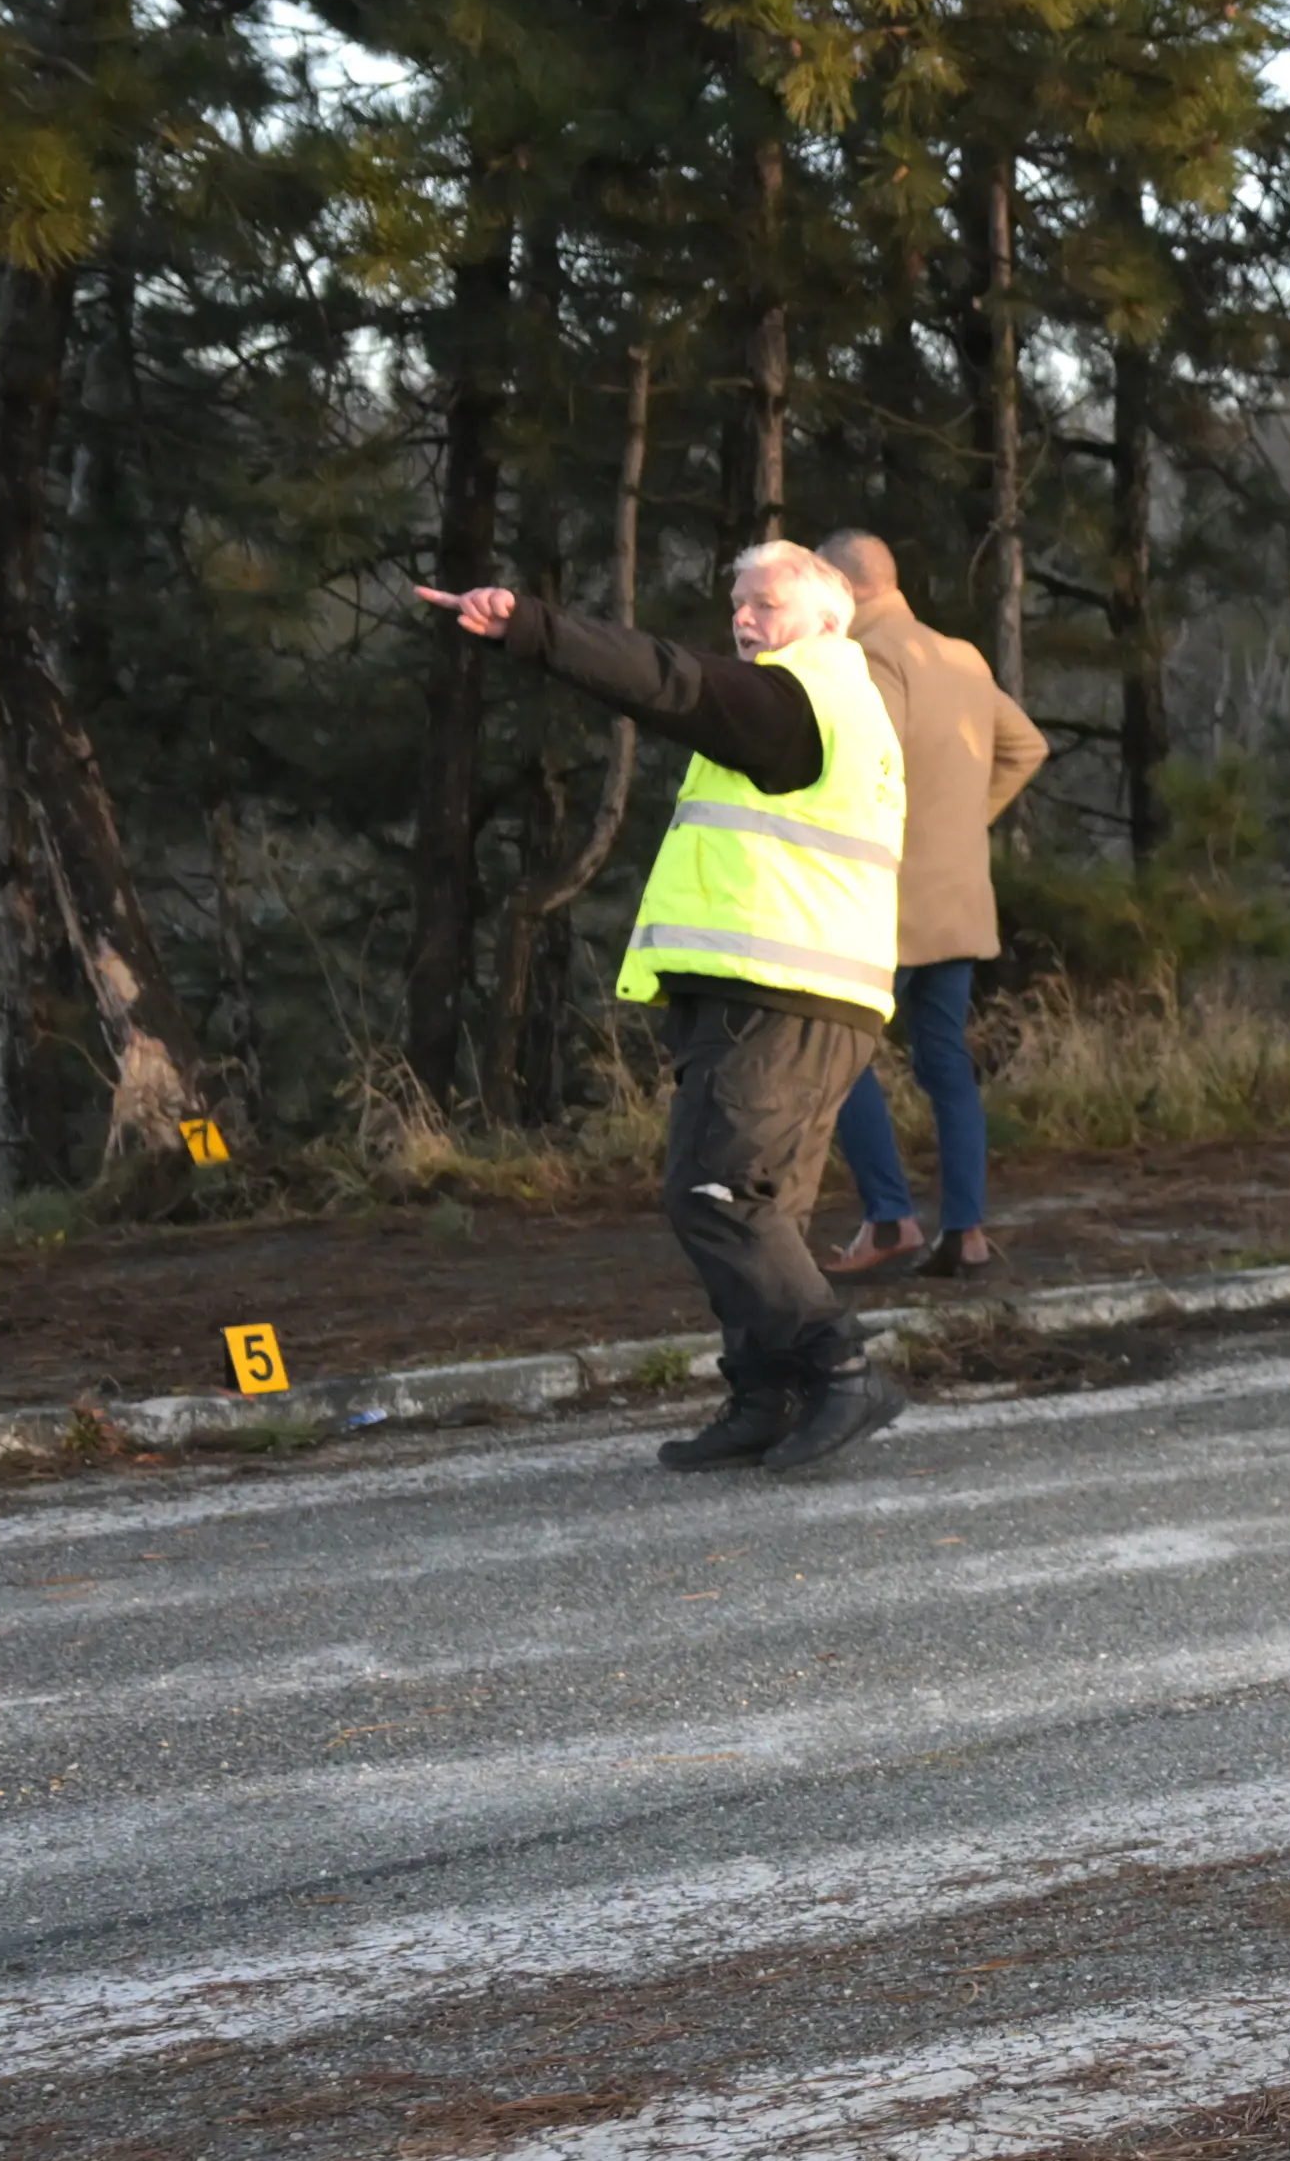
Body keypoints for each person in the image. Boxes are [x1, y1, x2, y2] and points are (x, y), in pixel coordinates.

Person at [415, 543, 914, 1475]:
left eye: (766, 604)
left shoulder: (796, 701)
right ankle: (767, 1398)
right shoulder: (839, 706)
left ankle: (841, 1369)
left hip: (778, 998)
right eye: (738, 603)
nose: (744, 619)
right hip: (803, 997)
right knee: (758, 1207)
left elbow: (664, 680)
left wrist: (532, 626)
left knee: (714, 1196)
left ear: (828, 621)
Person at [810, 528, 1045, 1284]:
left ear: (840, 590)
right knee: (945, 1064)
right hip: (957, 896)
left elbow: (858, 774)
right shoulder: (962, 655)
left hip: (885, 901)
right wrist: (962, 825)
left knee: (838, 1056)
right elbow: (1025, 746)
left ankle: (890, 1216)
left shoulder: (867, 658)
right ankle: (966, 1232)